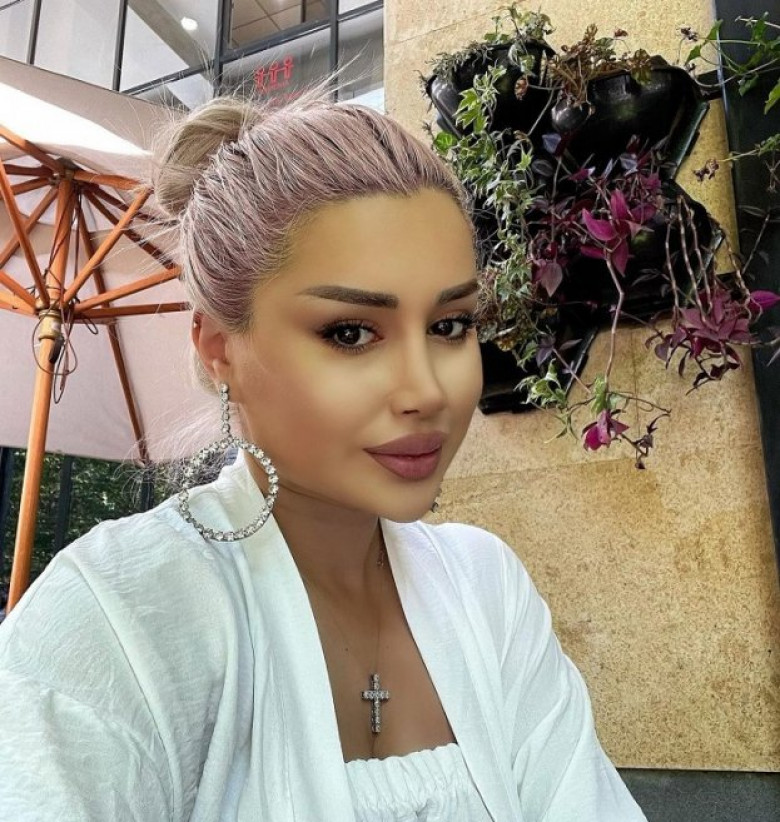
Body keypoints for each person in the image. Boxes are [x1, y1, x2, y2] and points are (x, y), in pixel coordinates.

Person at [0, 78, 647, 822]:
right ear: (218, 347)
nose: (425, 390)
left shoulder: (486, 587)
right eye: (350, 332)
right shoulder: (120, 614)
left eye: (451, 326)